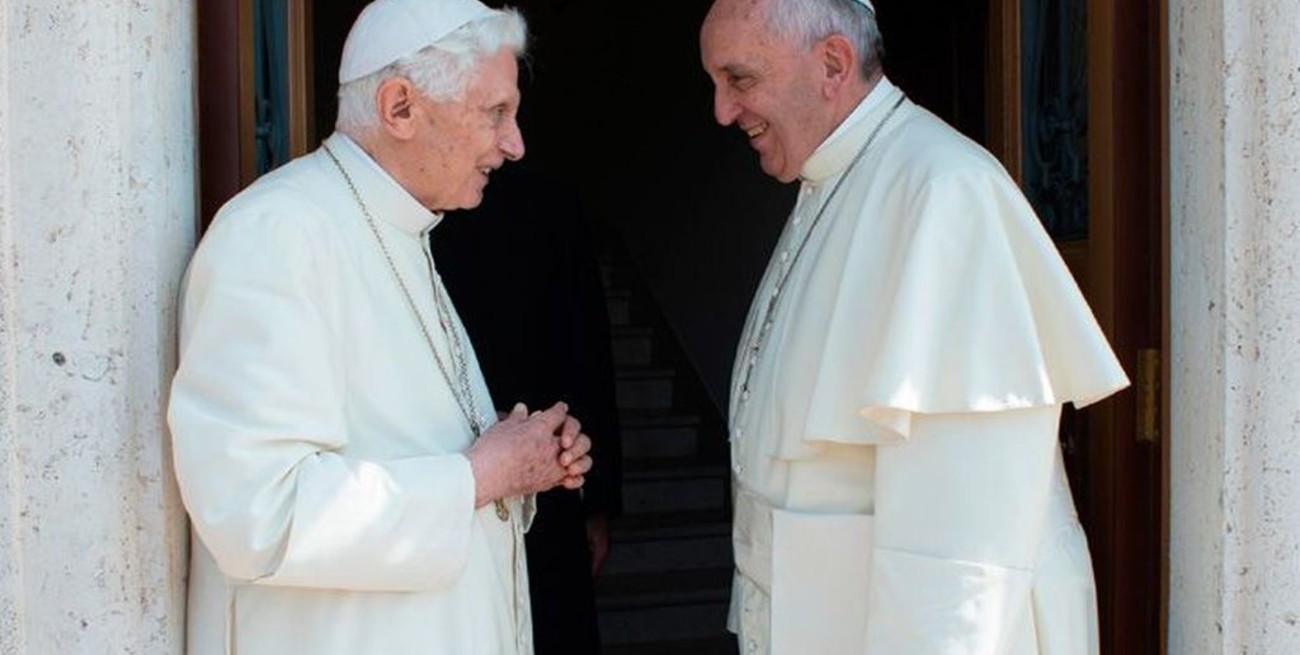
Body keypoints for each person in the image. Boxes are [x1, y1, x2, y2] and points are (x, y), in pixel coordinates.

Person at [698, 0, 1130, 653]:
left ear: (834, 64)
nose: (723, 111)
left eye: (740, 80)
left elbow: (960, 561)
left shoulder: (945, 194)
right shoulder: (837, 179)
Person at [167, 1, 592, 653]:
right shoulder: (279, 234)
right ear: (400, 108)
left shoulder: (403, 230)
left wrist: (519, 458)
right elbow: (256, 512)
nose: (515, 145)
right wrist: (481, 476)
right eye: (495, 113)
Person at [432, 161, 623, 655]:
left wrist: (596, 500)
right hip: (447, 482)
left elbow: (586, 348)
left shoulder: (547, 202)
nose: (510, 140)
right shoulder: (403, 215)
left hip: (551, 468)